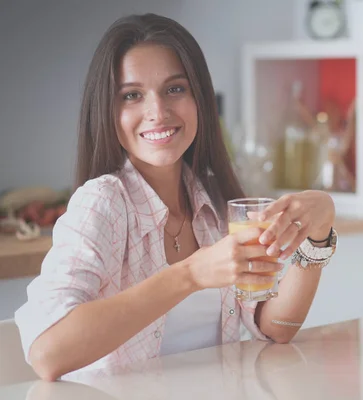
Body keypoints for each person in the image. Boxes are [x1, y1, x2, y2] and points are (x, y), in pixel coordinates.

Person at [14, 13, 337, 382]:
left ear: (199, 97)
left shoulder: (215, 202)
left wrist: (320, 231)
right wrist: (190, 274)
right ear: (108, 110)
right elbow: (47, 353)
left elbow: (276, 328)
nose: (158, 112)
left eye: (175, 89)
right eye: (132, 95)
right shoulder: (102, 203)